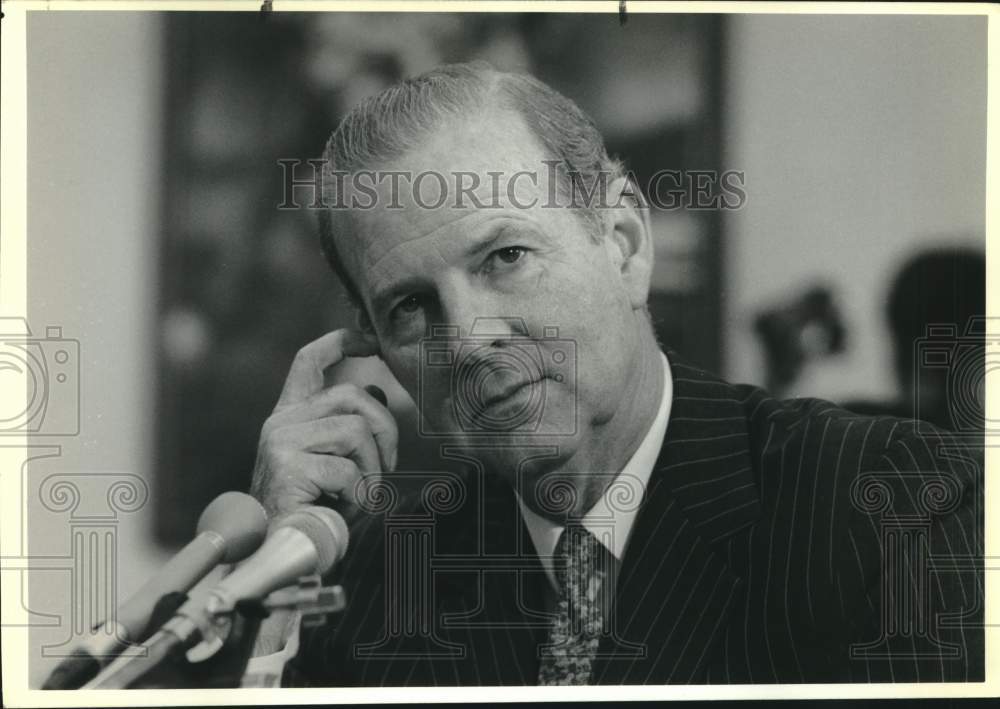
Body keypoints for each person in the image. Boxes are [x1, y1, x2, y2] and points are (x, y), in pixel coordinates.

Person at [246, 63, 982, 686]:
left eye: (505, 257)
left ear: (624, 244)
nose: (468, 340)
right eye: (410, 305)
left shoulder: (892, 502)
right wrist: (279, 571)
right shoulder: (373, 580)